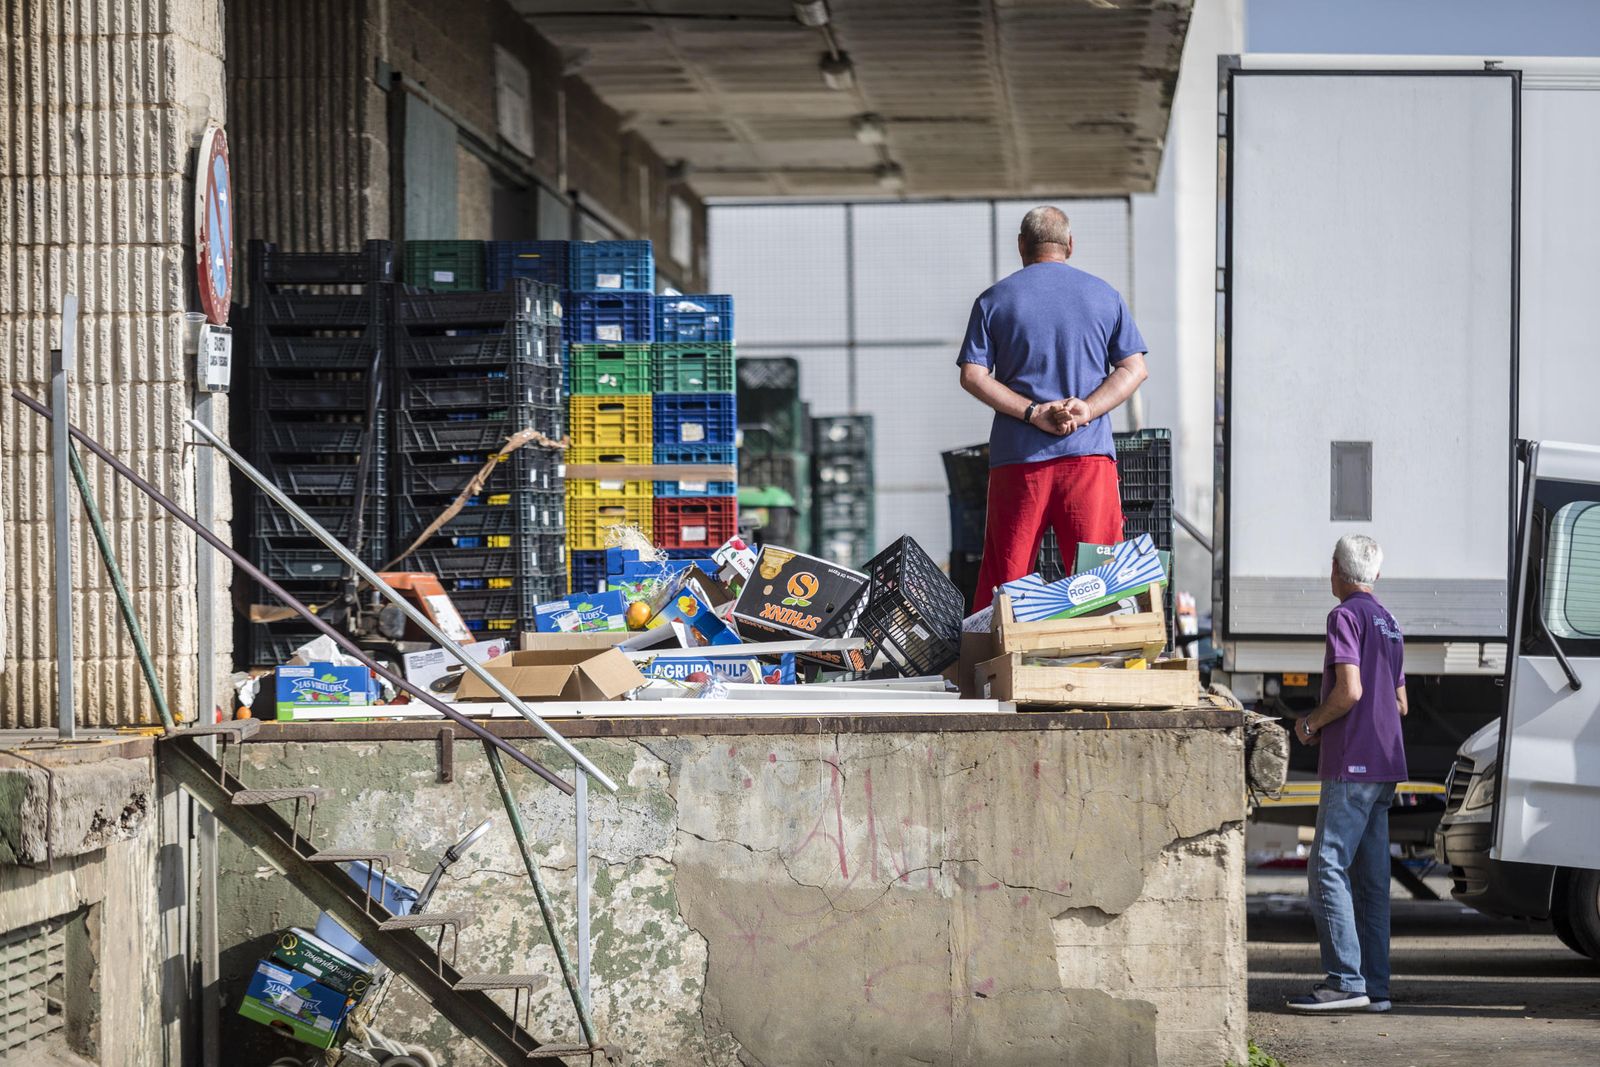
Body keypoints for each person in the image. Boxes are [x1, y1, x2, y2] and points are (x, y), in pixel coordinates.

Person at [956, 205, 1149, 611]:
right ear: (1070, 245)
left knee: (1004, 585)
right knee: (1101, 582)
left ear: (1022, 245)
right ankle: (1107, 667)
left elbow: (973, 375)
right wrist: (1087, 410)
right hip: (1089, 457)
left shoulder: (994, 300)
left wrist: (1032, 413)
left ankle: (997, 672)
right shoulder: (1104, 295)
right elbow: (1134, 369)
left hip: (1018, 461)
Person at [1287, 534, 1408, 1014]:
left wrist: (1310, 723)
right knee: (1372, 879)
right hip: (1386, 762)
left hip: (1352, 761)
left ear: (1335, 569)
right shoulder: (1390, 622)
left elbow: (1350, 690)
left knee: (1327, 866)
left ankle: (1343, 981)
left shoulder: (1344, 617)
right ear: (1375, 575)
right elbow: (1400, 701)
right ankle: (1375, 987)